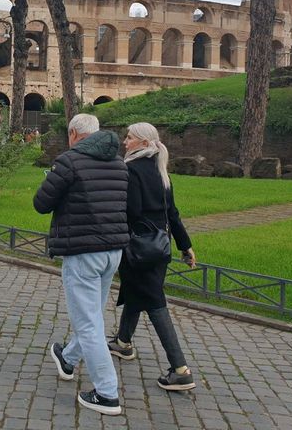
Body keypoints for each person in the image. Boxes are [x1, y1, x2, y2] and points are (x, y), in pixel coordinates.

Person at [33, 114, 129, 416]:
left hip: (83, 250)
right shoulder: (119, 163)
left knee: (88, 323)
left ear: (74, 134)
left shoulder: (69, 161)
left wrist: (51, 180)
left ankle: (107, 392)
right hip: (113, 249)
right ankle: (68, 358)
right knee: (93, 313)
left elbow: (41, 203)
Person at [108, 122, 197, 392]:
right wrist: (185, 245)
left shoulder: (130, 170)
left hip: (138, 248)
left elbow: (131, 212)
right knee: (139, 291)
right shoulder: (161, 172)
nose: (125, 142)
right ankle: (123, 343)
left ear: (144, 143)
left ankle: (180, 370)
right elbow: (173, 213)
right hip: (160, 247)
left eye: (130, 138)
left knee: (155, 302)